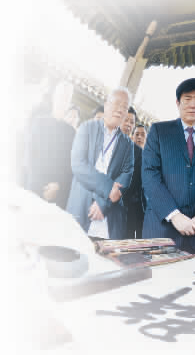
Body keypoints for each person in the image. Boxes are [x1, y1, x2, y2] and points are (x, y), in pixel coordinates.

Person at [142, 78, 195, 254]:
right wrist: (174, 215)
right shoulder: (159, 131)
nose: (192, 104)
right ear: (178, 102)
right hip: (161, 229)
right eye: (187, 99)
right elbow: (150, 175)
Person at [66, 88, 134, 239]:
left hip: (108, 218)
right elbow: (78, 165)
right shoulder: (87, 128)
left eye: (125, 107)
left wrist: (103, 203)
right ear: (106, 105)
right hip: (81, 205)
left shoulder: (127, 144)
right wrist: (109, 188)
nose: (120, 110)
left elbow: (126, 175)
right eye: (117, 104)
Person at [25, 81, 76, 210]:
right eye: (61, 96)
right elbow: (31, 154)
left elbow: (69, 166)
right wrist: (40, 185)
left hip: (55, 195)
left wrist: (58, 185)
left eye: (67, 97)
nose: (63, 100)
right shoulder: (39, 122)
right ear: (54, 96)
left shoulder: (71, 133)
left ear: (69, 102)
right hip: (34, 186)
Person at [121, 107, 145, 239]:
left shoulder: (139, 153)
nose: (128, 124)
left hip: (125, 210)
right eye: (126, 120)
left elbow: (134, 184)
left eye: (132, 122)